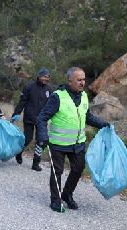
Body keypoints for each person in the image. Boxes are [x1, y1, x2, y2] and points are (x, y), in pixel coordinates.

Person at [36, 67, 110, 213]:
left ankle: (67, 194)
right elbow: (42, 117)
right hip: (58, 143)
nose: (83, 82)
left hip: (77, 143)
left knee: (78, 168)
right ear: (70, 81)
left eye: (83, 79)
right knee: (57, 171)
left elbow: (87, 116)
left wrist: (103, 124)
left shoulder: (83, 96)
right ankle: (55, 201)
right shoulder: (57, 97)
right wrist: (43, 136)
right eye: (79, 80)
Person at [11, 67, 53, 171]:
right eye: (44, 76)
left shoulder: (49, 89)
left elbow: (52, 104)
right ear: (39, 76)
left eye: (47, 77)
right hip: (29, 117)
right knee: (28, 138)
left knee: (41, 141)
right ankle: (19, 153)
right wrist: (16, 113)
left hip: (42, 119)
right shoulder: (29, 87)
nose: (45, 79)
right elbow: (22, 101)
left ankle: (35, 163)